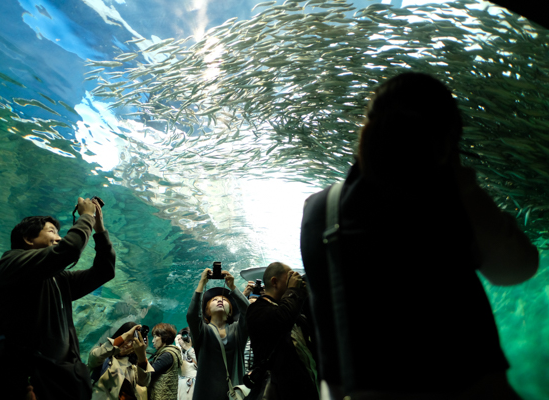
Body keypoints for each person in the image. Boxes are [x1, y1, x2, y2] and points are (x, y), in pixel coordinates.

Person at [300, 72, 539, 399]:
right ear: (445, 140)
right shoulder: (446, 200)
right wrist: (465, 186)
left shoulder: (318, 210)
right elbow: (518, 267)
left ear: (366, 129)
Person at [0, 197, 116, 400]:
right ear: (28, 239)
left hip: (50, 382)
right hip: (9, 384)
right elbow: (69, 249)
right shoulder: (11, 265)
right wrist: (87, 216)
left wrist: (99, 228)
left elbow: (104, 271)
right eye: (52, 232)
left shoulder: (59, 279)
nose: (59, 238)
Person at [246, 262, 319, 400]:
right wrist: (293, 290)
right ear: (274, 281)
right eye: (290, 276)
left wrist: (306, 293)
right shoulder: (256, 310)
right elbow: (281, 321)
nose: (295, 280)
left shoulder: (295, 312)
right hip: (279, 391)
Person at [186, 267, 250, 400]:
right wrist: (201, 283)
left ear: (231, 311)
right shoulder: (202, 331)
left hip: (235, 394)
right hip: (206, 394)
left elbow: (249, 313)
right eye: (214, 300)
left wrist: (233, 287)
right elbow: (192, 315)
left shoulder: (237, 330)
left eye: (225, 300)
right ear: (207, 311)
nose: (220, 300)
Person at [88, 322, 151, 400]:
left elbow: (144, 382)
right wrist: (126, 335)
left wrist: (142, 355)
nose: (128, 344)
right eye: (127, 340)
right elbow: (96, 357)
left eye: (132, 341)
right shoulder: (103, 354)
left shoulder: (133, 366)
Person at [147, 323, 182, 400]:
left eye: (155, 336)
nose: (152, 341)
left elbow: (148, 374)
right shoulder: (165, 352)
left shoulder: (167, 355)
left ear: (165, 337)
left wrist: (141, 353)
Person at [175, 328, 197, 400]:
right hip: (183, 389)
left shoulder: (198, 351)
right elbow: (178, 361)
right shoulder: (179, 353)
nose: (182, 341)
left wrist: (189, 348)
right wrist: (178, 346)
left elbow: (203, 364)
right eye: (180, 339)